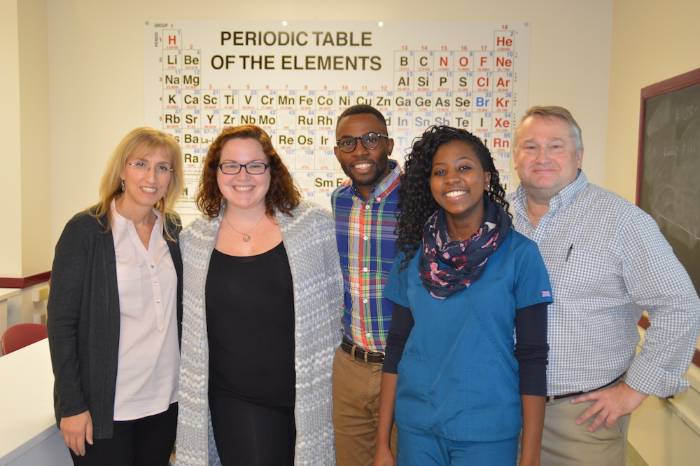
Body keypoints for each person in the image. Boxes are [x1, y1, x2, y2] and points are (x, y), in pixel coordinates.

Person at [510, 105, 700, 466]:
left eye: (556, 146)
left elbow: (680, 305)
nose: (542, 157)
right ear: (515, 156)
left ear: (579, 156)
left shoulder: (621, 221)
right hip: (504, 409)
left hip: (581, 421)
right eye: (530, 146)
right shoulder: (498, 218)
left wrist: (633, 390)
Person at [374, 125, 552, 466]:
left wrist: (530, 456)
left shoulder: (520, 255)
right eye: (440, 172)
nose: (452, 178)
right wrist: (383, 443)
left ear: (486, 179)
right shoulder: (411, 256)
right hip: (418, 428)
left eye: (464, 167)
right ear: (429, 184)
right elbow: (395, 349)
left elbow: (532, 358)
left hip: (487, 431)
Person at [175, 124, 343, 466]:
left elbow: (339, 305)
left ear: (271, 170)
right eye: (231, 165)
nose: (243, 175)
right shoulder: (193, 241)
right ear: (215, 173)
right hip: (237, 399)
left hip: (310, 395)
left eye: (255, 165)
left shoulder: (314, 228)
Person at [47, 127, 185, 466]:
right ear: (122, 170)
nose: (151, 176)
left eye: (163, 167)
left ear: (171, 177)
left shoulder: (174, 230)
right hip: (107, 407)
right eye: (141, 163)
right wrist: (72, 405)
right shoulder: (86, 231)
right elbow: (62, 324)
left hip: (165, 401)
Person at [331, 104, 401, 465]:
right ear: (337, 152)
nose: (360, 151)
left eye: (371, 139)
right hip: (351, 367)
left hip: (406, 369)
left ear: (388, 144)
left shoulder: (421, 201)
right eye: (348, 142)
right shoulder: (339, 201)